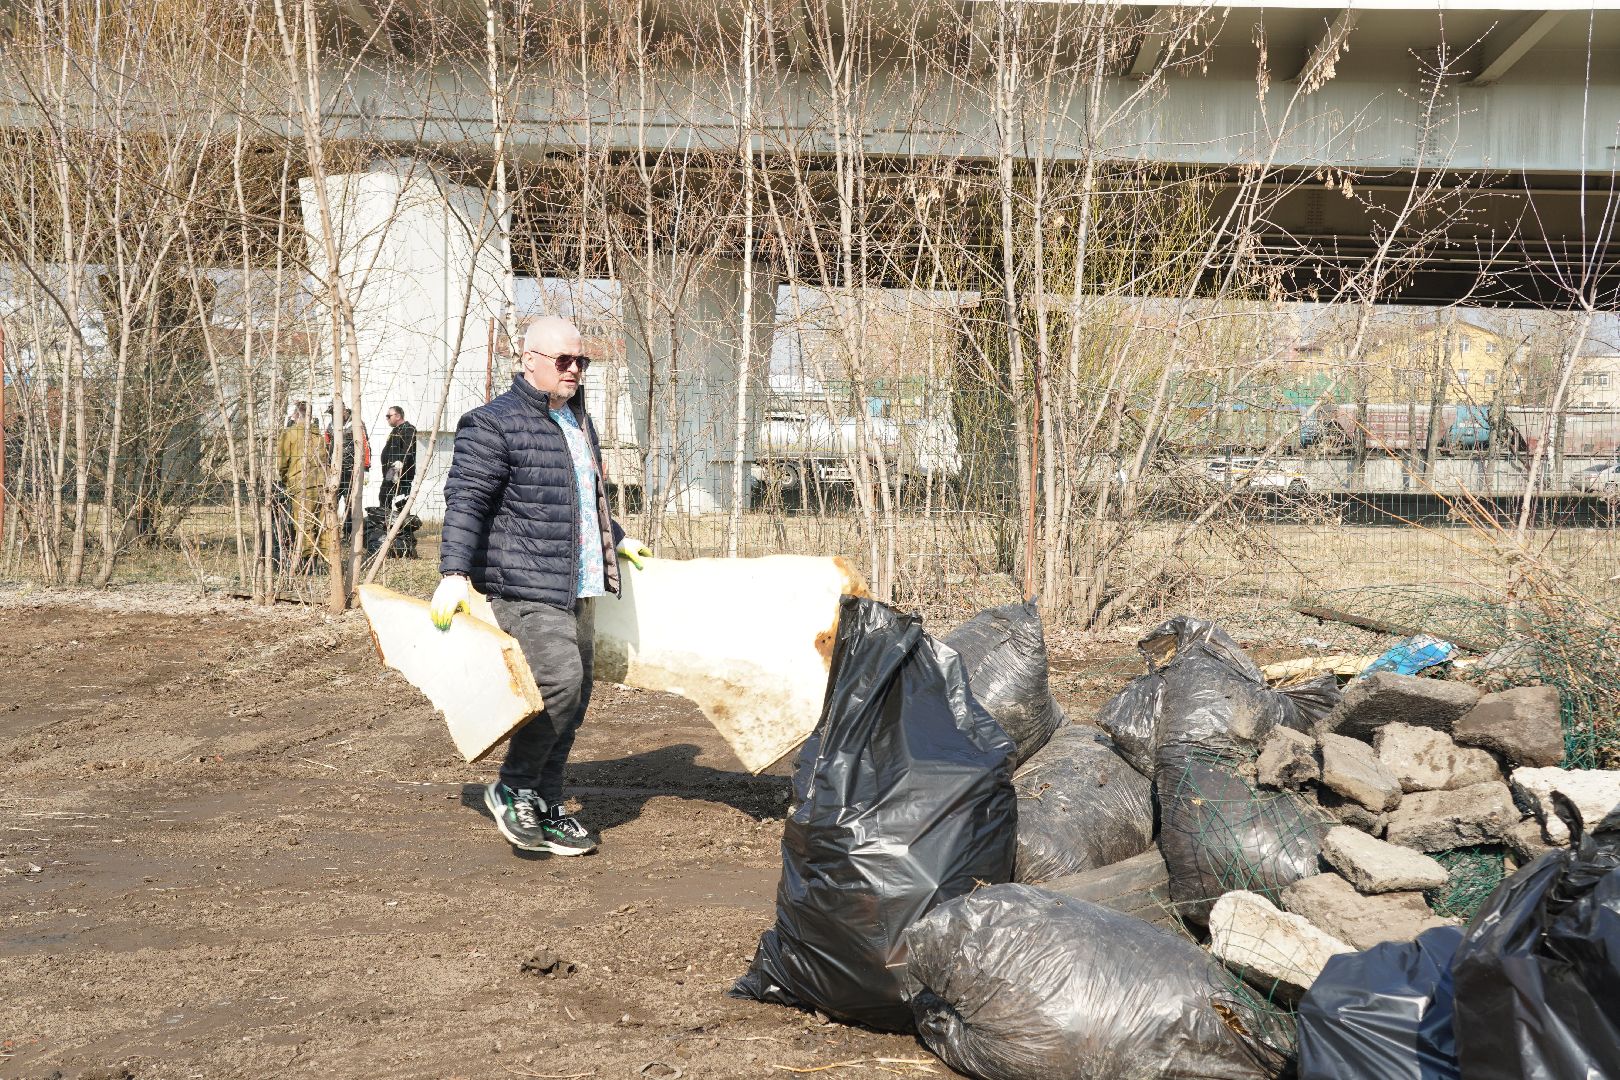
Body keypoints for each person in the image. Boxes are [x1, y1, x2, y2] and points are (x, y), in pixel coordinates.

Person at [430, 315, 653, 856]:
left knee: (574, 701)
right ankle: (511, 787)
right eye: (564, 361)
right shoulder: (491, 423)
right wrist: (454, 573)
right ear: (529, 361)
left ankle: (547, 803)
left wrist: (615, 538)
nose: (575, 369)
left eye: (582, 361)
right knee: (560, 684)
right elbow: (467, 503)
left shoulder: (577, 420)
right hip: (525, 584)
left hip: (579, 582)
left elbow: (575, 496)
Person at [276, 401, 325, 569]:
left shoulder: (289, 434)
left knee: (304, 524)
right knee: (322, 524)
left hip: (301, 483)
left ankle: (309, 564)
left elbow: (282, 462)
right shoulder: (319, 435)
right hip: (321, 485)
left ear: (296, 416)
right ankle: (324, 563)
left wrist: (285, 479)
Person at [324, 405, 371, 525]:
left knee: (350, 501)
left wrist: (365, 468)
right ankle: (332, 529)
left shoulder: (356, 423)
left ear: (343, 410)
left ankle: (348, 531)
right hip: (335, 469)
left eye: (334, 413)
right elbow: (326, 446)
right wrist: (326, 466)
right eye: (331, 414)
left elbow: (365, 445)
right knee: (331, 499)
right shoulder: (331, 425)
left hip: (351, 469)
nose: (333, 416)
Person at [377, 405, 417, 510]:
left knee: (400, 499)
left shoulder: (409, 429)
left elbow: (409, 448)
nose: (387, 419)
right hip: (391, 470)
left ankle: (401, 523)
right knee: (384, 496)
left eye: (388, 416)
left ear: (398, 416)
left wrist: (400, 463)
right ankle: (386, 522)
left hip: (400, 470)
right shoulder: (395, 430)